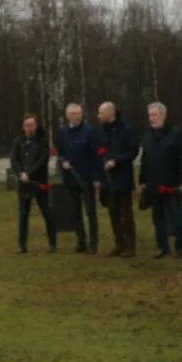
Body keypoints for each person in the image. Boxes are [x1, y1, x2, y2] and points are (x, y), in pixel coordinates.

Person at [139, 102, 182, 259]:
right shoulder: (147, 134)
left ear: (163, 115)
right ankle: (162, 246)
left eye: (155, 115)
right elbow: (145, 158)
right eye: (150, 115)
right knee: (158, 217)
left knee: (177, 217)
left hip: (172, 183)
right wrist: (143, 180)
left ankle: (180, 247)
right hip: (153, 182)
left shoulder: (174, 133)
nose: (152, 119)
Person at [55, 103, 101, 254]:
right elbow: (59, 153)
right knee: (75, 211)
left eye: (79, 114)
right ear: (67, 115)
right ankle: (81, 241)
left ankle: (93, 244)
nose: (76, 117)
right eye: (73, 114)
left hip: (86, 178)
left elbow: (96, 156)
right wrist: (63, 163)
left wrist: (96, 178)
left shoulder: (90, 131)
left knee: (90, 211)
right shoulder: (62, 133)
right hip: (70, 178)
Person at [96, 101, 139, 258]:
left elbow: (133, 150)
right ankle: (118, 245)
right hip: (107, 179)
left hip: (122, 177)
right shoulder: (102, 131)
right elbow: (99, 149)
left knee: (125, 214)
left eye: (101, 112)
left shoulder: (126, 129)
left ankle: (130, 246)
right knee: (113, 213)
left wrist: (116, 161)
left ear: (110, 113)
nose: (98, 116)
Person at [10, 113, 56, 254]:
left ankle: (52, 243)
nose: (29, 128)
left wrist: (29, 173)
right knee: (23, 215)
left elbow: (43, 160)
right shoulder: (18, 141)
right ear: (23, 127)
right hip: (24, 184)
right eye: (27, 125)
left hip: (39, 182)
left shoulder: (42, 141)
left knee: (46, 213)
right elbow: (14, 160)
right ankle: (22, 245)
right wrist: (20, 174)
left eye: (32, 125)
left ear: (36, 126)